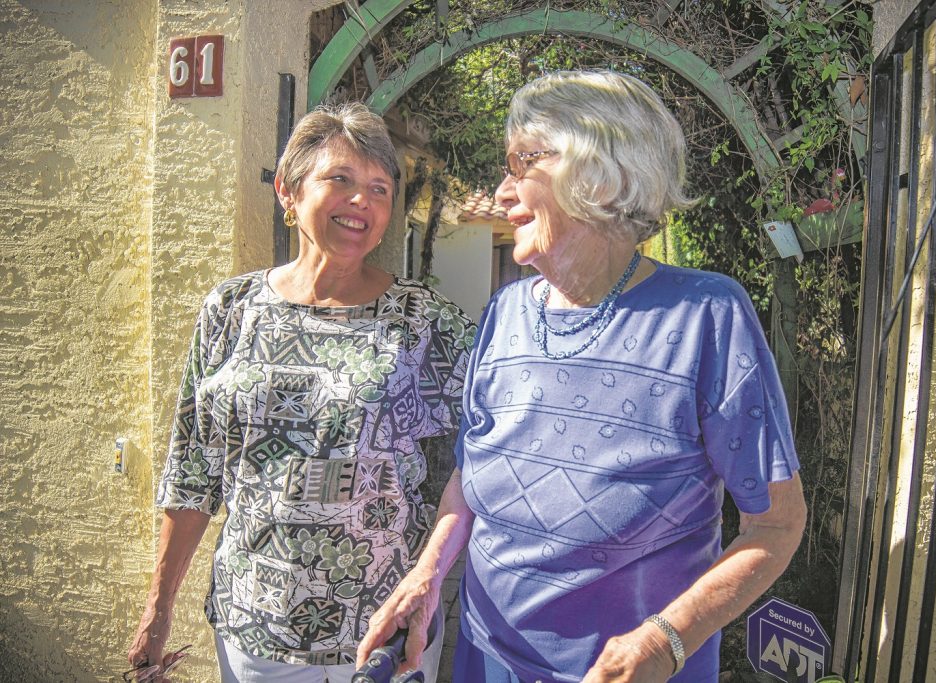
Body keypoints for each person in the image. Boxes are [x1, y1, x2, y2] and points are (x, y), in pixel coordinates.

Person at [358, 70, 806, 683]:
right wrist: (427, 573)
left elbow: (776, 524)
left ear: (598, 172)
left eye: (522, 164)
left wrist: (665, 642)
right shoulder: (505, 311)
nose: (502, 191)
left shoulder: (706, 315)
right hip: (485, 661)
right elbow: (475, 468)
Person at [127, 102, 475, 682]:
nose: (362, 200)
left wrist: (432, 571)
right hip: (252, 628)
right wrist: (157, 610)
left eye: (379, 189)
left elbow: (494, 437)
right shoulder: (230, 309)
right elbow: (192, 470)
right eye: (341, 179)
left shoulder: (422, 320)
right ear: (288, 192)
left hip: (381, 634)